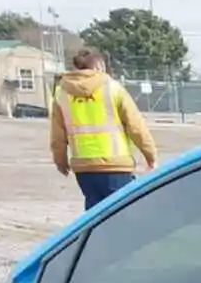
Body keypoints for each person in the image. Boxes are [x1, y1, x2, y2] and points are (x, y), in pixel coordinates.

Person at [50, 50, 157, 210]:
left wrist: (61, 162)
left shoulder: (62, 93)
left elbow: (57, 135)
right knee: (122, 213)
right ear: (99, 66)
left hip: (84, 168)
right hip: (116, 165)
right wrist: (150, 155)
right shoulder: (113, 88)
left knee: (95, 215)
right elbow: (136, 126)